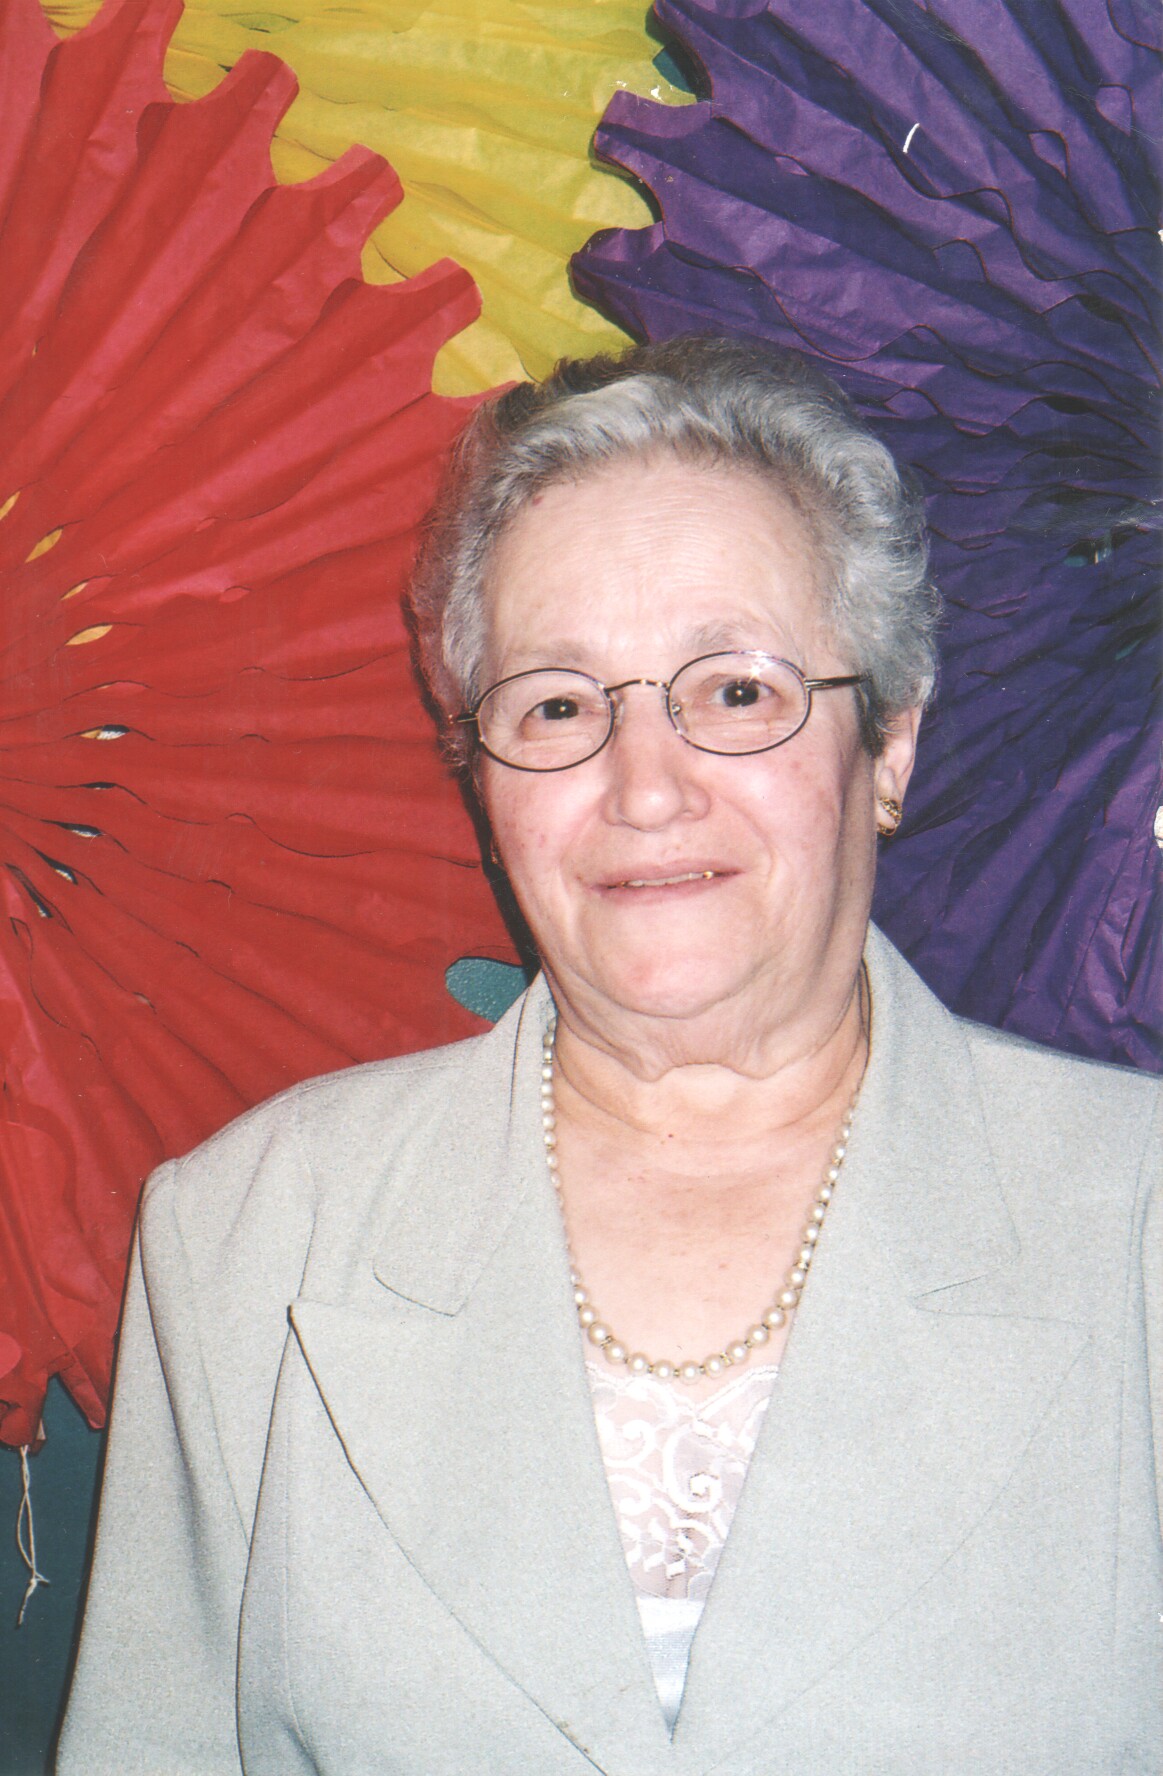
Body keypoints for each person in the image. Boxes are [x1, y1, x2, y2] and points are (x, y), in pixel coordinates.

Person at [59, 337, 1160, 1774]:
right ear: (481, 772)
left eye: (738, 691)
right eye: (560, 705)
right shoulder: (250, 1235)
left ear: (888, 742)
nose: (645, 788)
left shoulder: (1137, 1220)